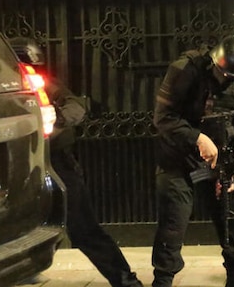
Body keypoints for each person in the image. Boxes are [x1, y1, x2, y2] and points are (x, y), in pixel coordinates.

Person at [9, 37, 144, 287]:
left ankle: (125, 281)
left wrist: (55, 117)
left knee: (83, 228)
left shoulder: (40, 83)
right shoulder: (3, 87)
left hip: (55, 162)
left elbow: (74, 105)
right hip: (20, 166)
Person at [151, 35, 234, 287]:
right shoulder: (185, 69)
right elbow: (163, 118)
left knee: (232, 218)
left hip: (220, 157)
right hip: (179, 156)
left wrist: (230, 170)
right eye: (219, 73)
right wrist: (197, 138)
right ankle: (163, 281)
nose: (222, 80)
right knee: (173, 223)